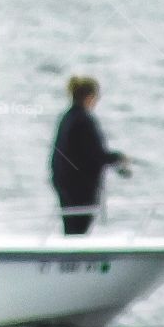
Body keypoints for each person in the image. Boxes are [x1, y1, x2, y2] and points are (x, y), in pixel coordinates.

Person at [50, 76, 131, 234]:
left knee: (71, 228)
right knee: (78, 229)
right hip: (79, 187)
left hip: (64, 183)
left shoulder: (67, 118)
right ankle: (75, 257)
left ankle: (71, 256)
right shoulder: (84, 120)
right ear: (89, 97)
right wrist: (118, 158)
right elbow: (95, 155)